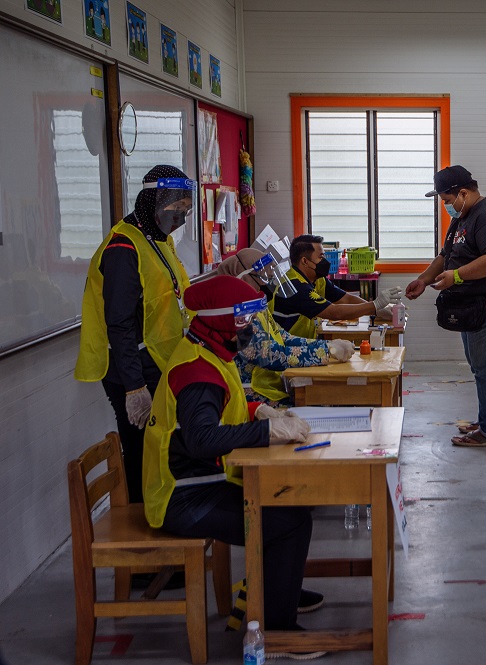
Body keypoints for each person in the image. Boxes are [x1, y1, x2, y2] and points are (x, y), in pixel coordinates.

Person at [143, 275, 325, 645]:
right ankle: (277, 632)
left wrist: (259, 411)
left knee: (290, 504)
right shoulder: (197, 374)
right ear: (219, 319)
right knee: (289, 523)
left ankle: (280, 595)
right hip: (185, 498)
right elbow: (202, 439)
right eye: (242, 321)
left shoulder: (210, 352)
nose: (248, 329)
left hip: (200, 483)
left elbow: (222, 411)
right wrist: (267, 432)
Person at [76, 165, 195, 503]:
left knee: (162, 443)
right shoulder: (122, 249)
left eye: (185, 210)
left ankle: (160, 508)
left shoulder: (159, 240)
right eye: (174, 209)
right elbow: (120, 325)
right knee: (141, 446)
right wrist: (134, 388)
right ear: (151, 201)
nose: (180, 217)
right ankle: (142, 517)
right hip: (130, 366)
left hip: (155, 357)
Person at [406, 166, 486, 447]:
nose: (446, 206)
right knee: (481, 366)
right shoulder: (462, 217)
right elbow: (446, 255)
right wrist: (423, 280)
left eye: (448, 201)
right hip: (471, 306)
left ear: (463, 193)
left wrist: (458, 276)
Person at [215, 249, 355, 406]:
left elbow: (282, 336)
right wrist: (327, 351)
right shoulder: (234, 316)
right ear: (243, 279)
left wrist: (327, 345)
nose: (267, 286)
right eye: (263, 279)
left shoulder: (254, 306)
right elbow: (271, 355)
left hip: (272, 387)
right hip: (253, 397)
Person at [272, 234, 403, 339]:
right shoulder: (294, 286)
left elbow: (345, 298)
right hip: (284, 354)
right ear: (305, 261)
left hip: (303, 344)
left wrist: (376, 310)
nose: (325, 261)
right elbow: (334, 312)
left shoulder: (317, 279)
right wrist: (375, 304)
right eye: (321, 257)